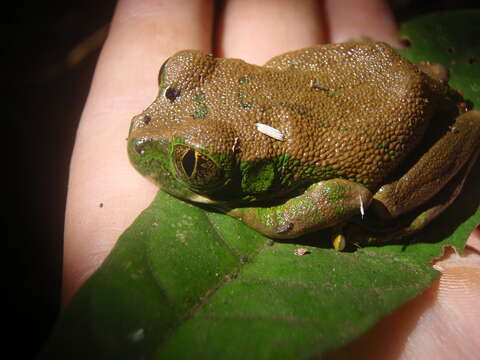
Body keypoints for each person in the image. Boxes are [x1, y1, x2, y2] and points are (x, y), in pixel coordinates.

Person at [63, 0, 480, 358]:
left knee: (381, 205)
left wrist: (272, 219)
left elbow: (341, 193)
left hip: (411, 124)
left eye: (195, 163)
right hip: (375, 72)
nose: (141, 122)